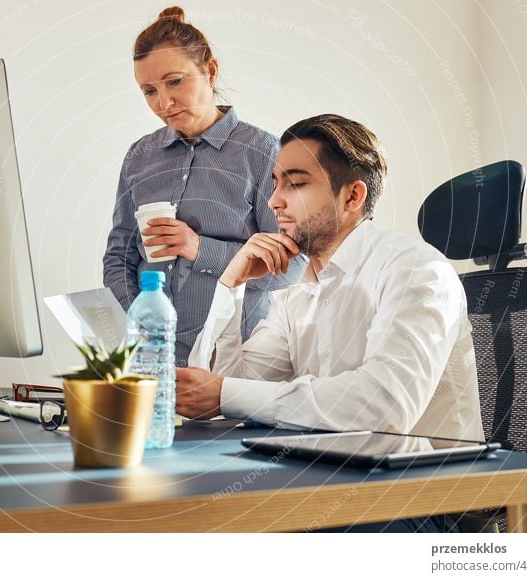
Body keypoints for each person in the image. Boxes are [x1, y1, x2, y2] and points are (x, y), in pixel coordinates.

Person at [175, 114, 484, 532]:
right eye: (276, 183)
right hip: (331, 485)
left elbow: (384, 407)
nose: (274, 201)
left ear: (352, 196)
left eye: (296, 183)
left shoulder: (416, 269)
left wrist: (225, 394)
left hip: (417, 502)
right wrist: (231, 284)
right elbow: (219, 397)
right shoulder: (297, 293)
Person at [103, 6, 304, 366]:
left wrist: (198, 248)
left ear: (210, 71)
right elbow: (119, 257)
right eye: (149, 91)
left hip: (231, 364)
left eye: (175, 81)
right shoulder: (140, 156)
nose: (163, 103)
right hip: (151, 362)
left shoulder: (262, 153)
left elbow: (292, 267)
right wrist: (142, 321)